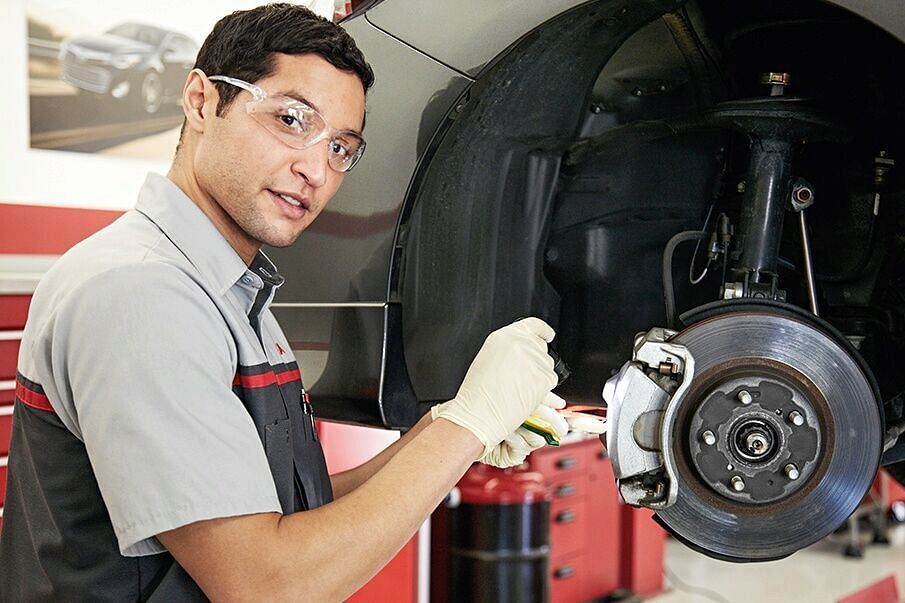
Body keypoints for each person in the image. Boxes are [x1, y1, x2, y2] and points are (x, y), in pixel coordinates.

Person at [0, 4, 584, 600]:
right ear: (202, 102)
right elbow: (264, 585)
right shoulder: (141, 294)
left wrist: (449, 432)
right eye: (290, 119)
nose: (314, 169)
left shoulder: (232, 291)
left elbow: (282, 507)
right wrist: (464, 428)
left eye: (340, 148)